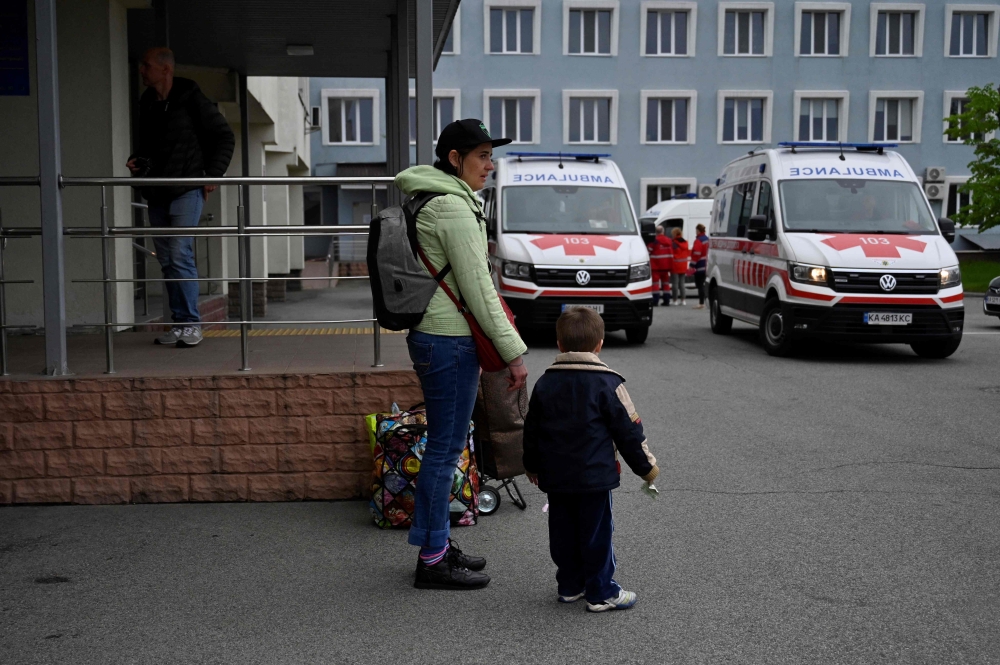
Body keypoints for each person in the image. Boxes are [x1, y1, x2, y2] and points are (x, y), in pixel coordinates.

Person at [395, 119, 528, 590]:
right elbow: (479, 289)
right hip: (448, 341)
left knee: (445, 448)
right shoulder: (451, 207)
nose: (490, 166)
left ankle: (437, 545)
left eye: (491, 157)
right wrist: (514, 353)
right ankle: (432, 560)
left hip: (440, 337)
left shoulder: (437, 198)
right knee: (444, 452)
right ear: (454, 159)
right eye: (482, 157)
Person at [523, 307, 659, 612]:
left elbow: (531, 430)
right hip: (595, 479)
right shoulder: (608, 384)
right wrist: (646, 468)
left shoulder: (545, 383)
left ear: (559, 344)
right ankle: (602, 591)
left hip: (556, 478)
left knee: (562, 533)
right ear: (599, 345)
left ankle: (570, 585)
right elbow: (629, 431)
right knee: (597, 533)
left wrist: (531, 464)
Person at [128, 47, 235, 348]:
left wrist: (212, 174)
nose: (141, 70)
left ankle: (191, 325)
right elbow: (148, 146)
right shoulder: (148, 102)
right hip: (157, 191)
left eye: (146, 65)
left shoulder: (190, 98)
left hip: (187, 189)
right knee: (166, 259)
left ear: (165, 70)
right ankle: (179, 323)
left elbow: (224, 136)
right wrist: (138, 160)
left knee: (178, 253)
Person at [646, 225, 673, 306]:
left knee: (655, 284)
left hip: (656, 266)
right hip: (666, 266)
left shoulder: (654, 241)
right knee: (666, 283)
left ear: (656, 232)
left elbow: (648, 251)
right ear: (663, 231)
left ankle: (655, 300)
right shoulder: (669, 240)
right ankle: (667, 300)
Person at [690, 223, 710, 309]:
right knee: (704, 285)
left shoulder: (698, 240)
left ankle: (701, 303)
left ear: (698, 231)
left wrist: (691, 265)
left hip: (700, 266)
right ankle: (705, 302)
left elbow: (696, 254)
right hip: (707, 265)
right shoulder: (707, 239)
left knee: (700, 285)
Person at [670, 227, 691, 306]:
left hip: (675, 265)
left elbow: (672, 253)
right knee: (682, 284)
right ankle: (683, 300)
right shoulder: (685, 242)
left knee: (675, 284)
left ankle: (675, 300)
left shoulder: (673, 243)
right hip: (683, 265)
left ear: (674, 234)